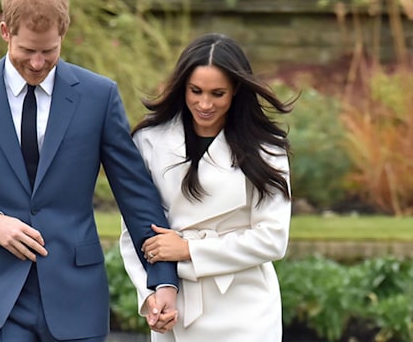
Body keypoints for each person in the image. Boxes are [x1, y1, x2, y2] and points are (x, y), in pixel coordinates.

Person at [0, 0, 178, 341]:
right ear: (4, 32)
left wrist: (163, 278)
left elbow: (135, 193)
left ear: (64, 32)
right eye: (26, 50)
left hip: (77, 296)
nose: (38, 63)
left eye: (49, 51)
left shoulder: (98, 96)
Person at [119, 33, 295, 341]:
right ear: (182, 86)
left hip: (245, 309)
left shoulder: (267, 150)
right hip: (175, 304)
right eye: (195, 91)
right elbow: (133, 230)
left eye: (218, 94)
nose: (204, 104)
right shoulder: (150, 140)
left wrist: (189, 249)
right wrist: (150, 297)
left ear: (236, 91)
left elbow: (272, 239)